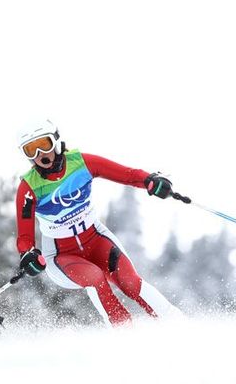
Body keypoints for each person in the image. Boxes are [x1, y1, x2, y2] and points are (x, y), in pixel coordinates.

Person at [15, 119, 182, 327]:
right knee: (94, 278)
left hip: (96, 239)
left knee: (130, 281)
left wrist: (150, 180)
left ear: (56, 141)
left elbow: (127, 175)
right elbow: (25, 237)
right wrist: (28, 254)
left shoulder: (82, 163)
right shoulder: (28, 187)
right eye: (30, 150)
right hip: (61, 255)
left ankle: (178, 326)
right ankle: (125, 335)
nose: (40, 154)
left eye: (44, 144)